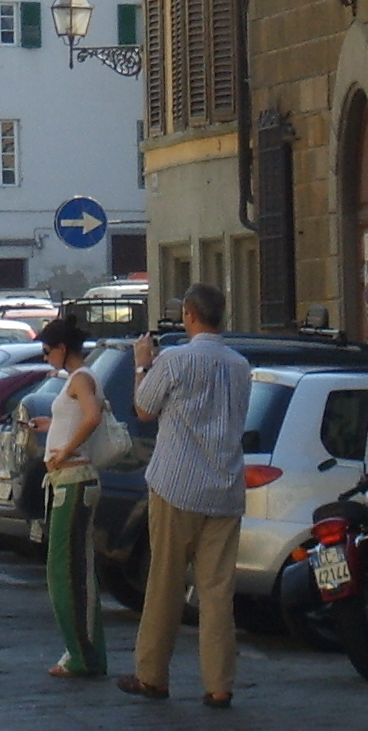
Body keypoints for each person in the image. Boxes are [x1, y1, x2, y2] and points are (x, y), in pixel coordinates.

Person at [119, 282, 251, 708]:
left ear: (190, 316)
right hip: (225, 486)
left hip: (177, 483)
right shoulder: (239, 365)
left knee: (165, 583)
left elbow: (143, 408)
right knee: (217, 592)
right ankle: (218, 684)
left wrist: (142, 364)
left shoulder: (175, 359)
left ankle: (152, 674)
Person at [29, 315, 106, 678]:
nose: (45, 358)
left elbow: (91, 417)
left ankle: (80, 654)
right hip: (69, 481)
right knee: (74, 568)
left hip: (73, 480)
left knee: (65, 570)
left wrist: (63, 451)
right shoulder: (78, 380)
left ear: (62, 349)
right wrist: (51, 429)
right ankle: (86, 651)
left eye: (47, 352)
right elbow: (80, 416)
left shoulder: (80, 379)